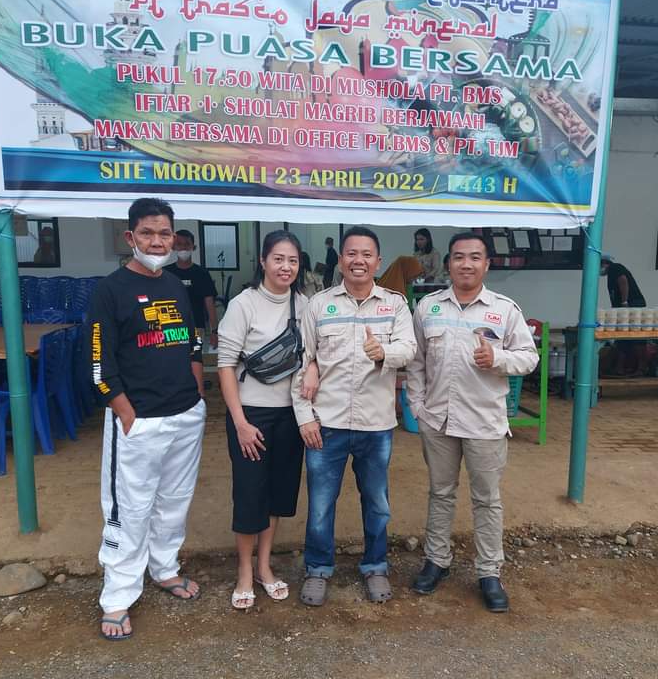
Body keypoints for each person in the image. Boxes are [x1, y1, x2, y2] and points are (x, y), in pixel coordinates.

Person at [88, 198, 206, 640]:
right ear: (130, 237)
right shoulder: (111, 290)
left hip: (185, 415)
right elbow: (98, 363)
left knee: (174, 501)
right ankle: (117, 596)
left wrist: (196, 394)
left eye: (165, 234)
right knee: (130, 508)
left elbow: (191, 343)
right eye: (148, 233)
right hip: (138, 421)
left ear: (174, 238)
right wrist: (124, 412)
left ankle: (164, 568)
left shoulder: (175, 285)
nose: (157, 242)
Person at [407, 232, 538, 613]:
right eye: (459, 257)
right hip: (438, 421)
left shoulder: (504, 310)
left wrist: (498, 359)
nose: (466, 264)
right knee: (440, 492)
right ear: (448, 263)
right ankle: (436, 561)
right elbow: (416, 362)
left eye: (475, 257)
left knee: (487, 499)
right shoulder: (428, 307)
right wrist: (417, 406)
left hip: (484, 422)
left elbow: (529, 358)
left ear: (487, 264)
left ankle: (489, 572)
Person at [292, 226, 417, 606]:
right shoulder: (319, 305)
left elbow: (409, 348)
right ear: (341, 259)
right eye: (351, 253)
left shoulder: (394, 305)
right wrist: (304, 417)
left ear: (378, 261)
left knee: (377, 502)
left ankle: (375, 565)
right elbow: (302, 361)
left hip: (375, 425)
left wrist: (385, 353)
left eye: (366, 254)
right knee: (321, 504)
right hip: (326, 424)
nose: (358, 260)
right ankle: (318, 569)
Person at [218, 231, 307, 609]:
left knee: (276, 495)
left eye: (292, 260)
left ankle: (264, 567)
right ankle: (243, 571)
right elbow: (225, 365)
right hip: (250, 416)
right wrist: (239, 422)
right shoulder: (243, 304)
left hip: (290, 415)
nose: (286, 267)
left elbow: (310, 354)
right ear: (263, 262)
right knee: (249, 494)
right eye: (278, 259)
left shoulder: (303, 303)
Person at [165, 229, 219, 349]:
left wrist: (215, 331)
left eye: (187, 244)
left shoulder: (202, 273)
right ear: (173, 247)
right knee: (173, 357)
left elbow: (210, 304)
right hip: (171, 327)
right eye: (179, 244)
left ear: (193, 247)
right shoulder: (166, 273)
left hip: (197, 326)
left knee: (195, 357)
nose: (183, 247)